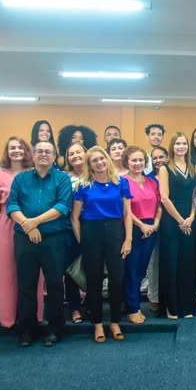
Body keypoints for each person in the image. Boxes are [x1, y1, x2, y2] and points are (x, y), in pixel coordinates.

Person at [7, 141, 73, 347]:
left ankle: (54, 328)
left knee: (54, 284)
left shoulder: (62, 178)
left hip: (54, 240)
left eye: (48, 152)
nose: (43, 155)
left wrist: (33, 222)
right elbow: (12, 205)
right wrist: (28, 226)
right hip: (24, 239)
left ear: (54, 156)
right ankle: (27, 330)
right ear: (33, 155)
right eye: (39, 151)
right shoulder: (20, 178)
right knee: (26, 285)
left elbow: (62, 206)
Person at [72, 146, 133, 343]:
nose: (99, 163)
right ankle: (97, 323)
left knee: (117, 279)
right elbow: (74, 218)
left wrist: (128, 239)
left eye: (101, 159)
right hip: (91, 232)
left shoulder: (121, 183)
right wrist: (83, 242)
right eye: (94, 161)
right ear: (89, 165)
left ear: (107, 159)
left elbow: (127, 214)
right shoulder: (83, 186)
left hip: (116, 231)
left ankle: (115, 322)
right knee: (94, 280)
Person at [0, 136, 37, 329]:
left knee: (33, 273)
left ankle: (34, 315)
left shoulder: (34, 173)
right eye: (12, 148)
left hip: (32, 225)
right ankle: (8, 317)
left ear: (26, 151)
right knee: (6, 272)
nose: (16, 150)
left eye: (20, 147)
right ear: (7, 152)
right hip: (5, 225)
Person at [157, 132, 196, 319]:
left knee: (187, 264)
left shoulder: (193, 167)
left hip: (190, 221)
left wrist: (190, 217)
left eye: (184, 143)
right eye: (177, 144)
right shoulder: (166, 168)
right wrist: (180, 220)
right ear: (172, 147)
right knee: (171, 263)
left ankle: (186, 305)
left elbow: (194, 197)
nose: (181, 146)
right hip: (171, 221)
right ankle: (171, 306)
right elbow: (164, 198)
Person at [123, 146, 162, 324]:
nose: (138, 163)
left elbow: (159, 205)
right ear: (127, 162)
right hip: (132, 229)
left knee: (141, 270)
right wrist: (142, 225)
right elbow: (125, 210)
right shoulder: (122, 181)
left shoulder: (152, 181)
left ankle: (131, 302)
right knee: (131, 269)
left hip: (151, 229)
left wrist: (154, 225)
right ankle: (132, 308)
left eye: (141, 160)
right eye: (134, 160)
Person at [62, 142, 87, 323]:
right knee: (71, 268)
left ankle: (93, 304)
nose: (76, 155)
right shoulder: (63, 177)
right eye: (71, 154)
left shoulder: (94, 175)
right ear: (67, 158)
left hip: (93, 226)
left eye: (79, 152)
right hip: (69, 227)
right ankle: (75, 307)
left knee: (93, 268)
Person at [145, 145, 168, 313]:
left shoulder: (172, 174)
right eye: (155, 158)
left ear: (167, 157)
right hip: (154, 221)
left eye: (162, 156)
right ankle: (154, 297)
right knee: (154, 261)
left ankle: (170, 295)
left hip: (173, 221)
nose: (159, 160)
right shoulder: (149, 179)